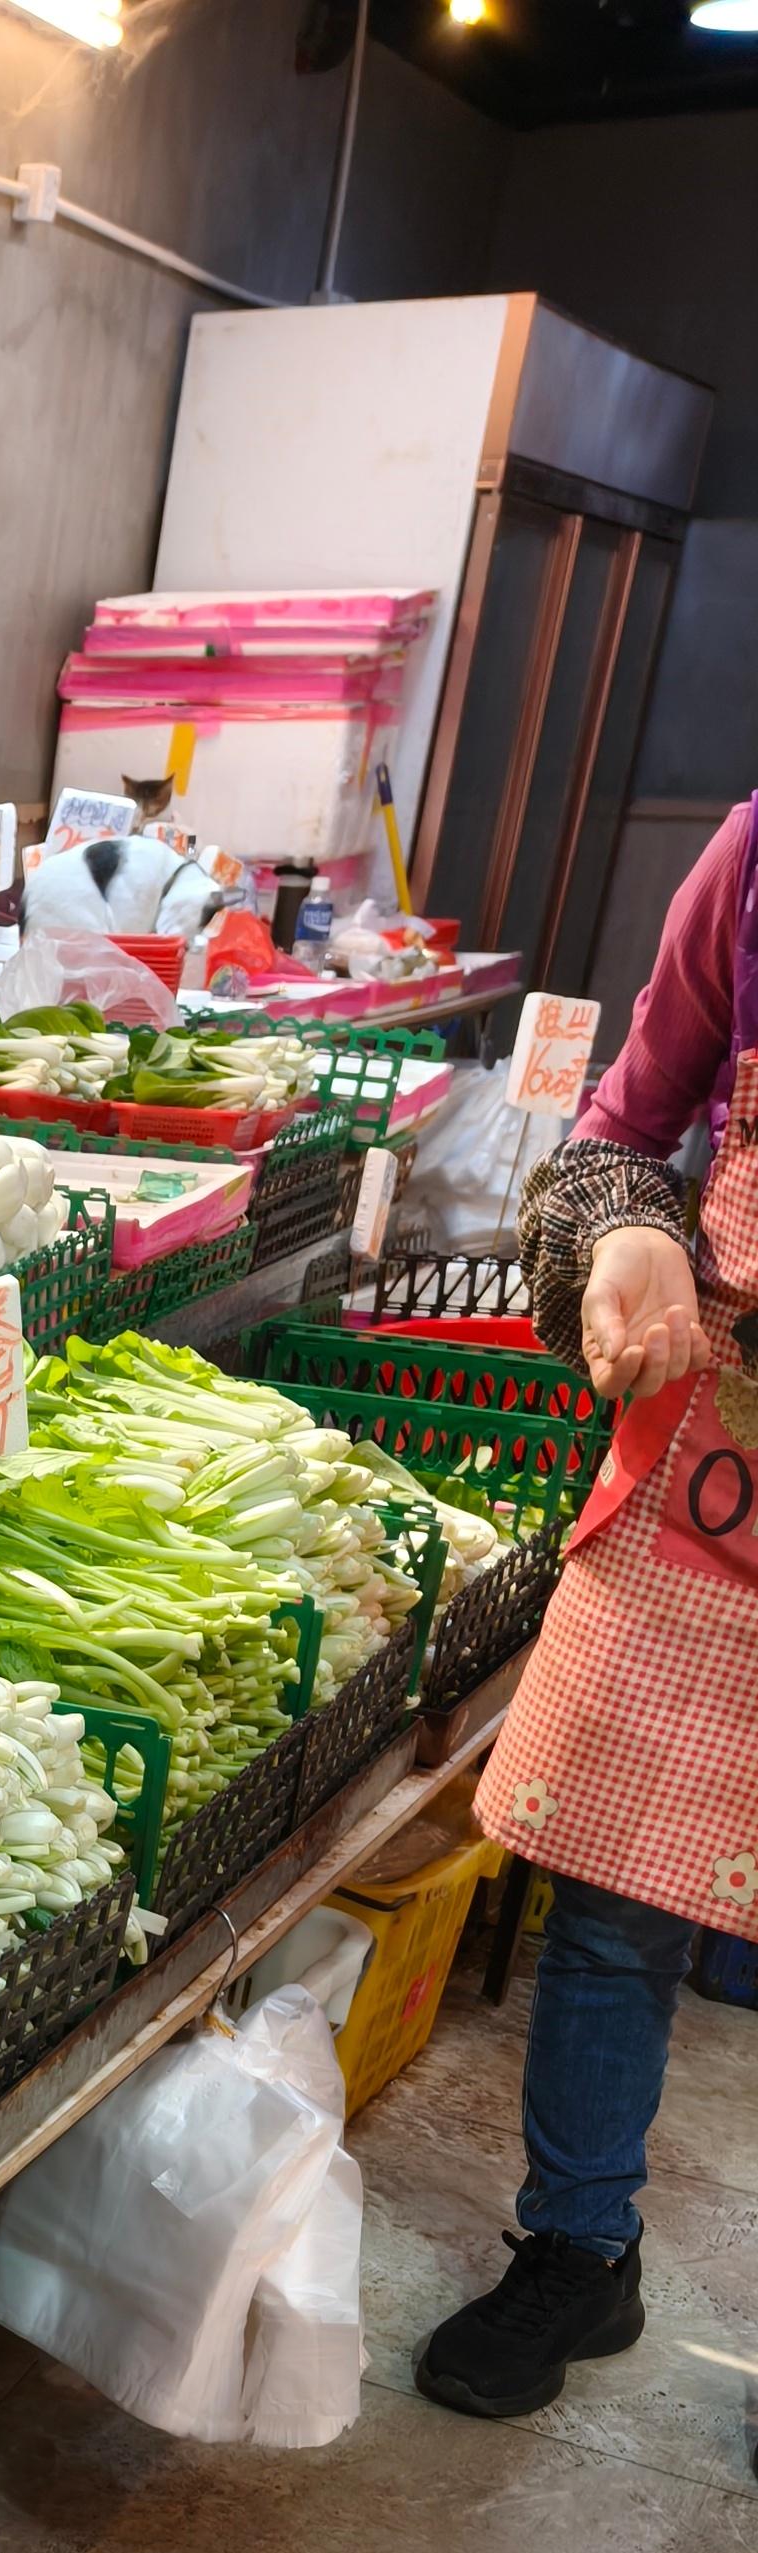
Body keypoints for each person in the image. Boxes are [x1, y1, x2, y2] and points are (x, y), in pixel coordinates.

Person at [416, 792, 758, 2422]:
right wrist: (633, 1232)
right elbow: (623, 1132)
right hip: (718, 1460)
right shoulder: (753, 857)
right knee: (616, 1896)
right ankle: (576, 2253)